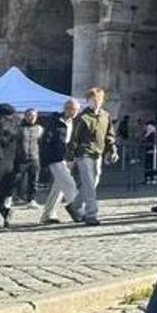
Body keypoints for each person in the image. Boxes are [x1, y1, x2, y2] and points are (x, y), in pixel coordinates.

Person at [67, 87, 117, 227]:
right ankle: (91, 214)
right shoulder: (82, 118)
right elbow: (74, 138)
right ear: (88, 101)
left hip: (98, 152)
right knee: (89, 183)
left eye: (98, 100)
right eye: (93, 100)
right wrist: (70, 156)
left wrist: (112, 149)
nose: (96, 102)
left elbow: (109, 134)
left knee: (94, 181)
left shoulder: (105, 115)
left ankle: (75, 206)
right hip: (83, 153)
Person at [39, 100, 82, 224]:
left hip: (65, 157)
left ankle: (47, 214)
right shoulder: (54, 121)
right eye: (74, 110)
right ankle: (78, 210)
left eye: (77, 110)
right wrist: (46, 158)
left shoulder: (73, 122)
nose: (76, 112)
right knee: (69, 184)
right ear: (67, 109)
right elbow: (46, 141)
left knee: (59, 188)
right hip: (55, 157)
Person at [0, 103, 25, 228]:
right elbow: (21, 150)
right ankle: (4, 212)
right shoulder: (17, 129)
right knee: (4, 192)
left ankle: (1, 214)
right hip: (11, 164)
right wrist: (21, 164)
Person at [15, 108, 42, 208]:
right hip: (21, 158)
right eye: (29, 115)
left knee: (34, 180)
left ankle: (32, 199)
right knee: (18, 179)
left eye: (33, 116)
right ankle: (17, 197)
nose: (31, 118)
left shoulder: (39, 128)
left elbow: (41, 142)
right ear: (25, 116)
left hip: (34, 157)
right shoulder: (19, 128)